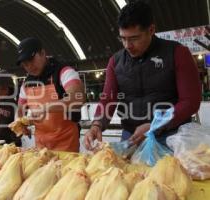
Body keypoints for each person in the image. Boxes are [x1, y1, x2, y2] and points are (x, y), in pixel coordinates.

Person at [84, 1, 201, 150]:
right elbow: (108, 98)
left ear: (151, 30)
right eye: (123, 38)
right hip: (131, 136)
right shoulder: (116, 61)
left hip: (171, 136)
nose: (127, 45)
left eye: (134, 38)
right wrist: (97, 124)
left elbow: (190, 102)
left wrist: (155, 125)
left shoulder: (178, 53)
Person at [16, 37, 85, 152]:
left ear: (43, 53)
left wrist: (44, 108)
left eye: (31, 60)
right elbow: (20, 110)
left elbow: (78, 98)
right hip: (41, 147)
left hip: (66, 145)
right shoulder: (26, 83)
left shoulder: (64, 72)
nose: (29, 67)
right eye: (25, 64)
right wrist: (20, 124)